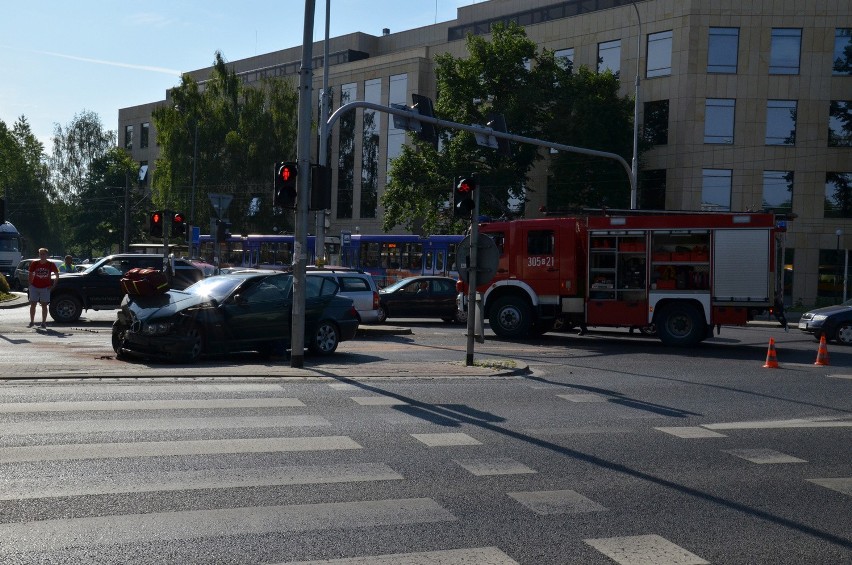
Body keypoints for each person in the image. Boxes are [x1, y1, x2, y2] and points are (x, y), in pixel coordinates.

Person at [28, 248, 59, 329]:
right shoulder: (35, 263)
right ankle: (32, 322)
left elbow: (56, 274)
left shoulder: (50, 264)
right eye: (40, 254)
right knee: (33, 304)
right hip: (34, 286)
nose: (42, 255)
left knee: (44, 305)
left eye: (43, 254)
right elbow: (30, 273)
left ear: (46, 255)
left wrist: (53, 285)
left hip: (45, 287)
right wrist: (30, 284)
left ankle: (43, 322)